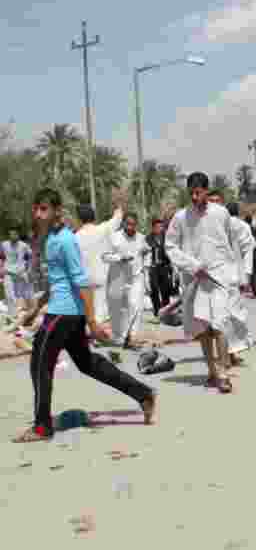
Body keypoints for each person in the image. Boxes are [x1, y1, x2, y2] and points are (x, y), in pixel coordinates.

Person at [12, 189, 155, 443]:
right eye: (36, 208)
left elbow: (81, 281)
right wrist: (36, 307)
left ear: (57, 211)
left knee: (39, 363)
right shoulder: (52, 238)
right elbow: (59, 280)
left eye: (43, 209)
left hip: (64, 313)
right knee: (87, 363)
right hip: (64, 310)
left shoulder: (65, 240)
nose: (38, 213)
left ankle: (42, 427)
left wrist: (92, 322)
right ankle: (143, 395)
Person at [165, 172, 251, 394]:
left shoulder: (221, 214)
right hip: (194, 279)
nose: (194, 197)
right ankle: (212, 371)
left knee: (220, 325)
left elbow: (231, 243)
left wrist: (239, 274)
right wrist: (193, 266)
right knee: (202, 329)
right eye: (191, 193)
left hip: (220, 279)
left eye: (198, 192)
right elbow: (171, 246)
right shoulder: (180, 218)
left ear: (206, 191)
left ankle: (223, 373)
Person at [75, 193, 126, 325]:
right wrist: (118, 205)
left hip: (84, 279)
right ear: (94, 217)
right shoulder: (102, 229)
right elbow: (117, 218)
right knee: (101, 309)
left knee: (88, 309)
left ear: (79, 219)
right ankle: (99, 333)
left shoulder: (75, 237)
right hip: (101, 277)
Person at [103, 211, 148, 349]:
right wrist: (120, 258)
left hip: (136, 277)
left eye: (133, 225)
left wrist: (146, 254)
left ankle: (133, 336)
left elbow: (146, 253)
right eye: (128, 224)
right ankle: (120, 337)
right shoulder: (114, 237)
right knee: (118, 309)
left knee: (135, 306)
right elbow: (104, 256)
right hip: (117, 278)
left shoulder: (141, 237)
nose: (130, 227)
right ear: (123, 224)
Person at [225, 202, 256, 365]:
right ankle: (231, 353)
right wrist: (247, 277)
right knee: (235, 314)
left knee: (225, 315)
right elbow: (249, 250)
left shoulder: (218, 223)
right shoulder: (243, 226)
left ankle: (229, 353)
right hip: (235, 276)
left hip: (222, 275)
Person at [146, 214, 175, 315]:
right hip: (153, 267)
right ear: (153, 228)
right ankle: (157, 310)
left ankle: (166, 310)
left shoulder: (166, 238)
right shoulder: (147, 239)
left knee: (165, 288)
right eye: (157, 227)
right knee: (154, 288)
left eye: (161, 227)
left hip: (164, 266)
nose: (160, 229)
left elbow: (171, 251)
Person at [1, 229, 32, 315]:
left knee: (26, 294)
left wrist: (28, 269)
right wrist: (1, 268)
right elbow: (1, 257)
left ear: (18, 234)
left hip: (21, 272)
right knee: (9, 295)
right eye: (11, 234)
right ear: (9, 236)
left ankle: (29, 313)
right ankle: (13, 314)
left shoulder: (24, 245)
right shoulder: (4, 245)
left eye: (15, 234)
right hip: (8, 272)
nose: (13, 236)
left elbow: (29, 257)